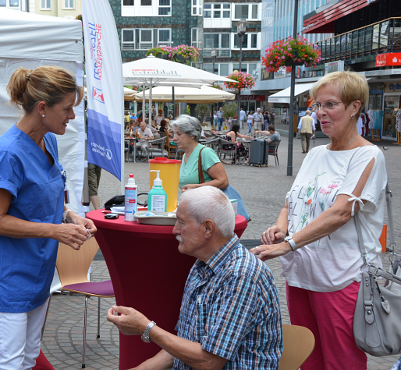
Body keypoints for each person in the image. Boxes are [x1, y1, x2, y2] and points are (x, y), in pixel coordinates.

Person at [250, 71, 388, 370]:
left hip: (341, 278)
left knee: (342, 362)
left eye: (330, 105)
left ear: (354, 108)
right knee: (308, 359)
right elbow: (292, 200)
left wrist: (288, 245)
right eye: (317, 105)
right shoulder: (315, 153)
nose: (320, 113)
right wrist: (281, 226)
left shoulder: (367, 156)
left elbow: (340, 212)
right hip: (302, 274)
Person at [0, 66, 96, 369]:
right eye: (67, 108)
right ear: (42, 108)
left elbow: (44, 197)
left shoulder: (49, 142)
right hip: (8, 278)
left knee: (27, 359)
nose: (71, 116)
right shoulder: (7, 153)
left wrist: (70, 216)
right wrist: (55, 231)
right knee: (8, 363)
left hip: (38, 273)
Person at [107, 186, 282, 369]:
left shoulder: (241, 275)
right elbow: (184, 343)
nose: (175, 230)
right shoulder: (202, 264)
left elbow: (210, 361)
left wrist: (147, 328)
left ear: (208, 228)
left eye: (181, 222)